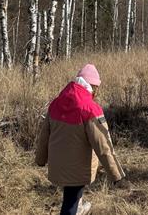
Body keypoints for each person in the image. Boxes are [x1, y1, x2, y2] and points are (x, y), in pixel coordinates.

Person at [35, 64, 126, 215]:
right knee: (70, 201)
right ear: (93, 86)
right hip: (78, 168)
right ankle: (75, 210)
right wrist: (116, 175)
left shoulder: (56, 103)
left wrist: (40, 159)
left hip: (58, 165)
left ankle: (80, 208)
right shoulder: (90, 109)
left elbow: (44, 136)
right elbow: (103, 145)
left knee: (72, 195)